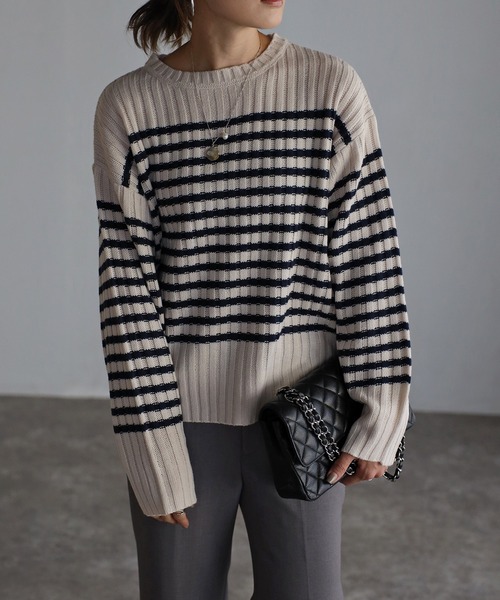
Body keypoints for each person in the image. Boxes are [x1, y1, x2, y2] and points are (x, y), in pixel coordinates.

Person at [93, 1, 411, 598]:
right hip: (179, 423)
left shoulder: (329, 87)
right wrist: (152, 451)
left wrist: (383, 410)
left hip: (303, 418)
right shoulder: (129, 106)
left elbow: (369, 256)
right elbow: (127, 292)